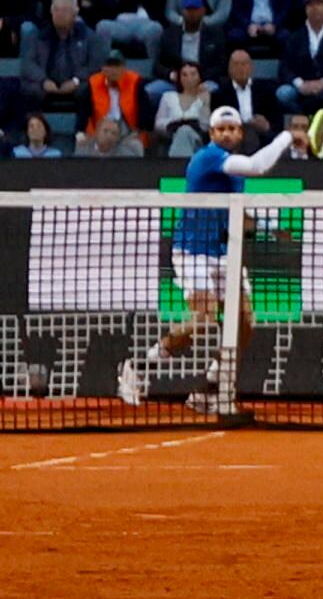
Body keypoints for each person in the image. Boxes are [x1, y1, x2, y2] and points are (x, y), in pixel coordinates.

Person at [116, 104, 305, 407]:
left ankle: (212, 387)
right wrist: (286, 137)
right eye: (221, 129)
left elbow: (236, 214)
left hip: (224, 251)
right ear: (212, 134)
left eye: (232, 129)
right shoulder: (209, 158)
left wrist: (270, 228)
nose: (227, 134)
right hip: (192, 252)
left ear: (240, 133)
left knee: (244, 320)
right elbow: (258, 165)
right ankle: (138, 368)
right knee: (203, 320)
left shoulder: (232, 169)